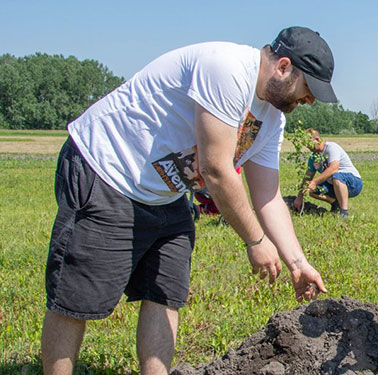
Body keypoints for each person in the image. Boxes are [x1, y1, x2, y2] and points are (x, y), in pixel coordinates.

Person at [42, 26, 334, 375]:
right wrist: (256, 240)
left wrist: (297, 262)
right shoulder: (226, 68)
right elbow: (215, 170)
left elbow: (267, 194)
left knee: (165, 293)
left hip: (166, 195)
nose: (309, 101)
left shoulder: (272, 118)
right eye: (308, 90)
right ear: (283, 67)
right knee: (77, 299)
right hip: (109, 171)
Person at [291, 128, 362, 218]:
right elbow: (308, 177)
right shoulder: (313, 157)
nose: (307, 147)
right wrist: (299, 197)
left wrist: (315, 182)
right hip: (334, 185)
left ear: (317, 140)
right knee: (311, 189)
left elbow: (333, 169)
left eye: (308, 143)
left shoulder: (331, 148)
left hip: (353, 183)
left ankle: (344, 212)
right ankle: (335, 203)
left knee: (336, 176)